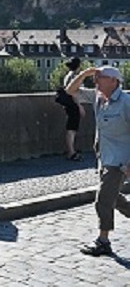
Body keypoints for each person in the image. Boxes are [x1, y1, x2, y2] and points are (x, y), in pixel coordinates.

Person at [66, 66, 130, 257]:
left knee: (103, 199)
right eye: (96, 77)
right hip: (103, 155)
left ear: (114, 81)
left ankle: (103, 241)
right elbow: (70, 91)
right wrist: (84, 74)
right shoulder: (98, 97)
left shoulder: (126, 102)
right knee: (113, 197)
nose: (96, 80)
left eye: (100, 77)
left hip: (120, 160)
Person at [60, 57, 86, 161]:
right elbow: (74, 93)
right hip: (73, 104)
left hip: (69, 104)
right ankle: (71, 152)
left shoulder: (68, 76)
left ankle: (72, 150)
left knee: (72, 128)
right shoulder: (74, 77)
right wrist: (80, 106)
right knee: (72, 129)